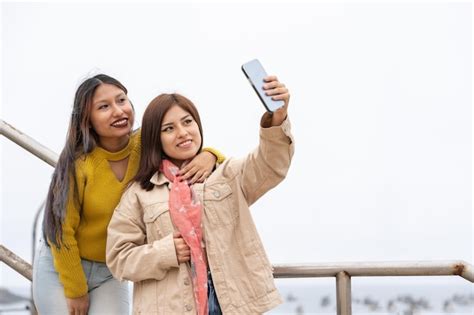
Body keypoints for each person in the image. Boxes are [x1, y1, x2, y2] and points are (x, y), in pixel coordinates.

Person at [32, 74, 224, 315]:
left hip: (111, 271)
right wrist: (76, 290)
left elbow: (184, 143)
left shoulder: (146, 142)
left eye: (121, 100)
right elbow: (61, 231)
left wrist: (211, 155)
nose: (118, 111)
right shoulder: (77, 163)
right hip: (63, 267)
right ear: (87, 119)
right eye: (104, 107)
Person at [106, 75, 294, 314]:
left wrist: (277, 117)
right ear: (156, 138)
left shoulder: (226, 173)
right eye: (169, 128)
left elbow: (271, 165)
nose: (183, 133)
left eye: (187, 122)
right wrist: (166, 252)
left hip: (234, 304)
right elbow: (118, 258)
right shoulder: (140, 193)